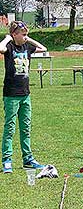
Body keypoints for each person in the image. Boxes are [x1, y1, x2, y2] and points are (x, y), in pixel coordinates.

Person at [0, 21, 47, 173]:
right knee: (10, 128)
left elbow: (43, 48)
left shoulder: (27, 46)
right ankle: (7, 160)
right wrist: (8, 38)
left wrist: (28, 38)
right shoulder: (9, 47)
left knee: (25, 128)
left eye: (26, 34)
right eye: (23, 34)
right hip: (11, 95)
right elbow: (0, 48)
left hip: (25, 94)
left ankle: (28, 159)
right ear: (14, 34)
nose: (25, 37)